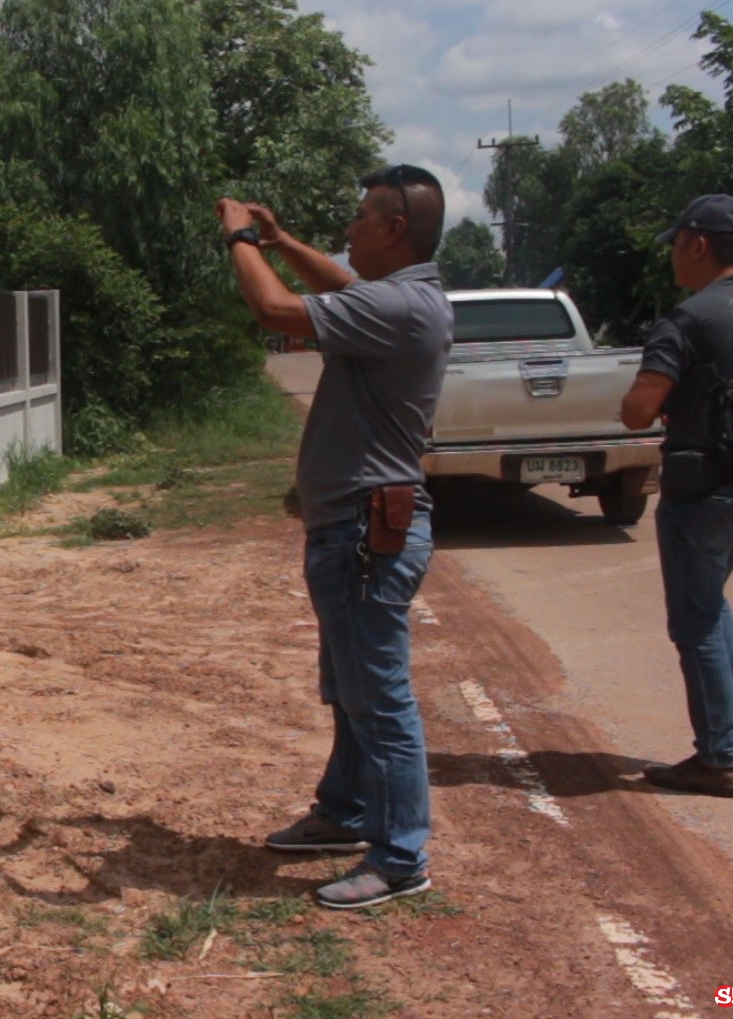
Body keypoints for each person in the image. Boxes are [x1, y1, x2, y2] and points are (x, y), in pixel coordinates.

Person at [217, 164, 452, 910]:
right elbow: (340, 283)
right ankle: (346, 813)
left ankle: (400, 856)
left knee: (378, 697)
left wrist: (242, 238)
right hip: (352, 526)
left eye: (359, 218)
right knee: (351, 689)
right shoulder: (397, 299)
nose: (347, 231)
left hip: (363, 532)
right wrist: (283, 239)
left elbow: (276, 310)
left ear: (393, 229)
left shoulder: (405, 306)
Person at [619, 194, 733, 798]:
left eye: (676, 243)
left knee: (694, 622)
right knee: (711, 598)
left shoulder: (687, 320)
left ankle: (719, 758)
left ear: (697, 244)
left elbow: (638, 410)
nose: (673, 255)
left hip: (701, 489)